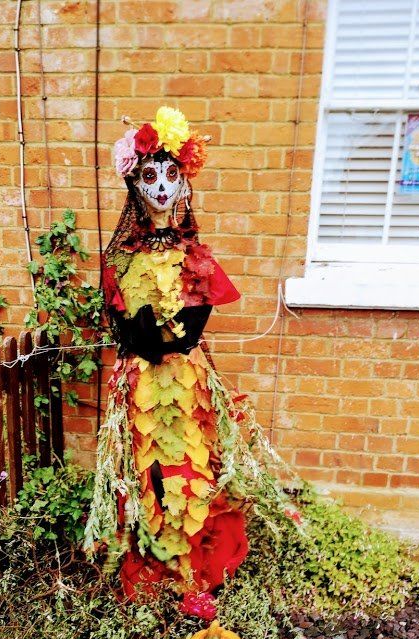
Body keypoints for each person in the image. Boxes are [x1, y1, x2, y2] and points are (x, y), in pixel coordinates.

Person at [84, 106, 298, 600]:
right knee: (146, 463)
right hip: (139, 380)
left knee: (189, 459)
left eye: (170, 174)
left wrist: (171, 338)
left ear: (183, 183)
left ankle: (189, 564)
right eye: (149, 176)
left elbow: (192, 325)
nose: (160, 187)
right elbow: (119, 324)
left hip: (184, 375)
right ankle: (151, 559)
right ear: (134, 184)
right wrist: (137, 338)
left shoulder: (194, 257)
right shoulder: (120, 259)